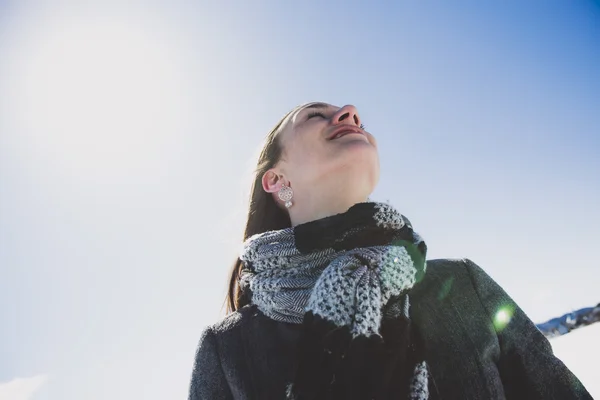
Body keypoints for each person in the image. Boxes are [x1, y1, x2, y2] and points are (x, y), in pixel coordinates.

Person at [188, 102, 592, 399]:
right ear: (276, 180)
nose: (350, 113)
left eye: (354, 115)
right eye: (314, 115)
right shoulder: (229, 348)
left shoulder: (461, 284)